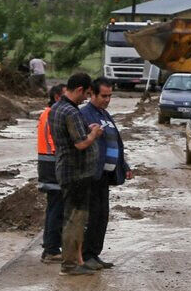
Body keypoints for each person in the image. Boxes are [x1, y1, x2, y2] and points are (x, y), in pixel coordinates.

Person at [48, 72, 104, 276]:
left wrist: (85, 129)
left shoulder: (57, 108)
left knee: (73, 217)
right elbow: (81, 143)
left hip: (66, 170)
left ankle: (75, 260)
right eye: (87, 94)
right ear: (79, 90)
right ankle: (71, 264)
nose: (87, 99)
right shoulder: (71, 112)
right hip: (76, 173)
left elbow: (72, 135)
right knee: (75, 218)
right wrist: (94, 134)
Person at [80, 78, 132, 269]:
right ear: (91, 94)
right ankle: (86, 255)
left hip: (104, 176)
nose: (107, 99)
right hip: (91, 174)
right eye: (104, 96)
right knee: (92, 216)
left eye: (110, 96)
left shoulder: (104, 114)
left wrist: (123, 165)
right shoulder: (84, 114)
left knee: (102, 215)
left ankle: (94, 253)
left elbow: (115, 142)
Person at [37, 84, 65, 264]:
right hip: (52, 164)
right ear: (56, 97)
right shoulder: (52, 114)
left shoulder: (46, 113)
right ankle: (52, 249)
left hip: (47, 163)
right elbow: (57, 142)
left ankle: (50, 246)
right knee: (57, 208)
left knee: (54, 207)